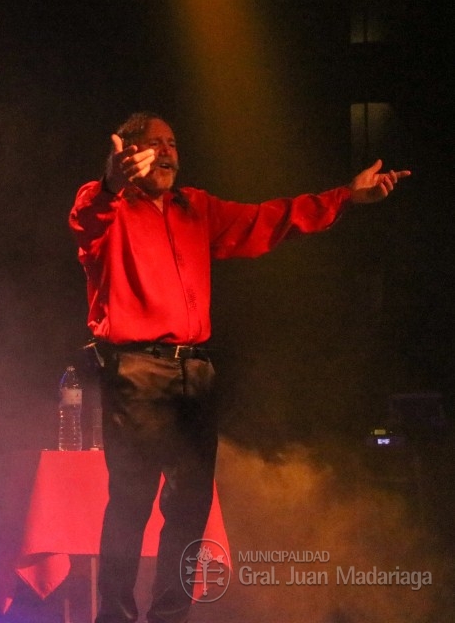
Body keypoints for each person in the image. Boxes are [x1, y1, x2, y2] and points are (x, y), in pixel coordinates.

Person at [68, 112, 409, 623]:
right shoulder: (109, 208)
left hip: (195, 373)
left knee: (189, 510)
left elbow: (268, 219)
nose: (166, 152)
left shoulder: (195, 208)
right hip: (135, 370)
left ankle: (169, 617)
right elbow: (88, 217)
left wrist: (345, 196)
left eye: (172, 142)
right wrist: (114, 180)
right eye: (153, 144)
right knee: (131, 503)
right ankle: (114, 617)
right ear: (130, 152)